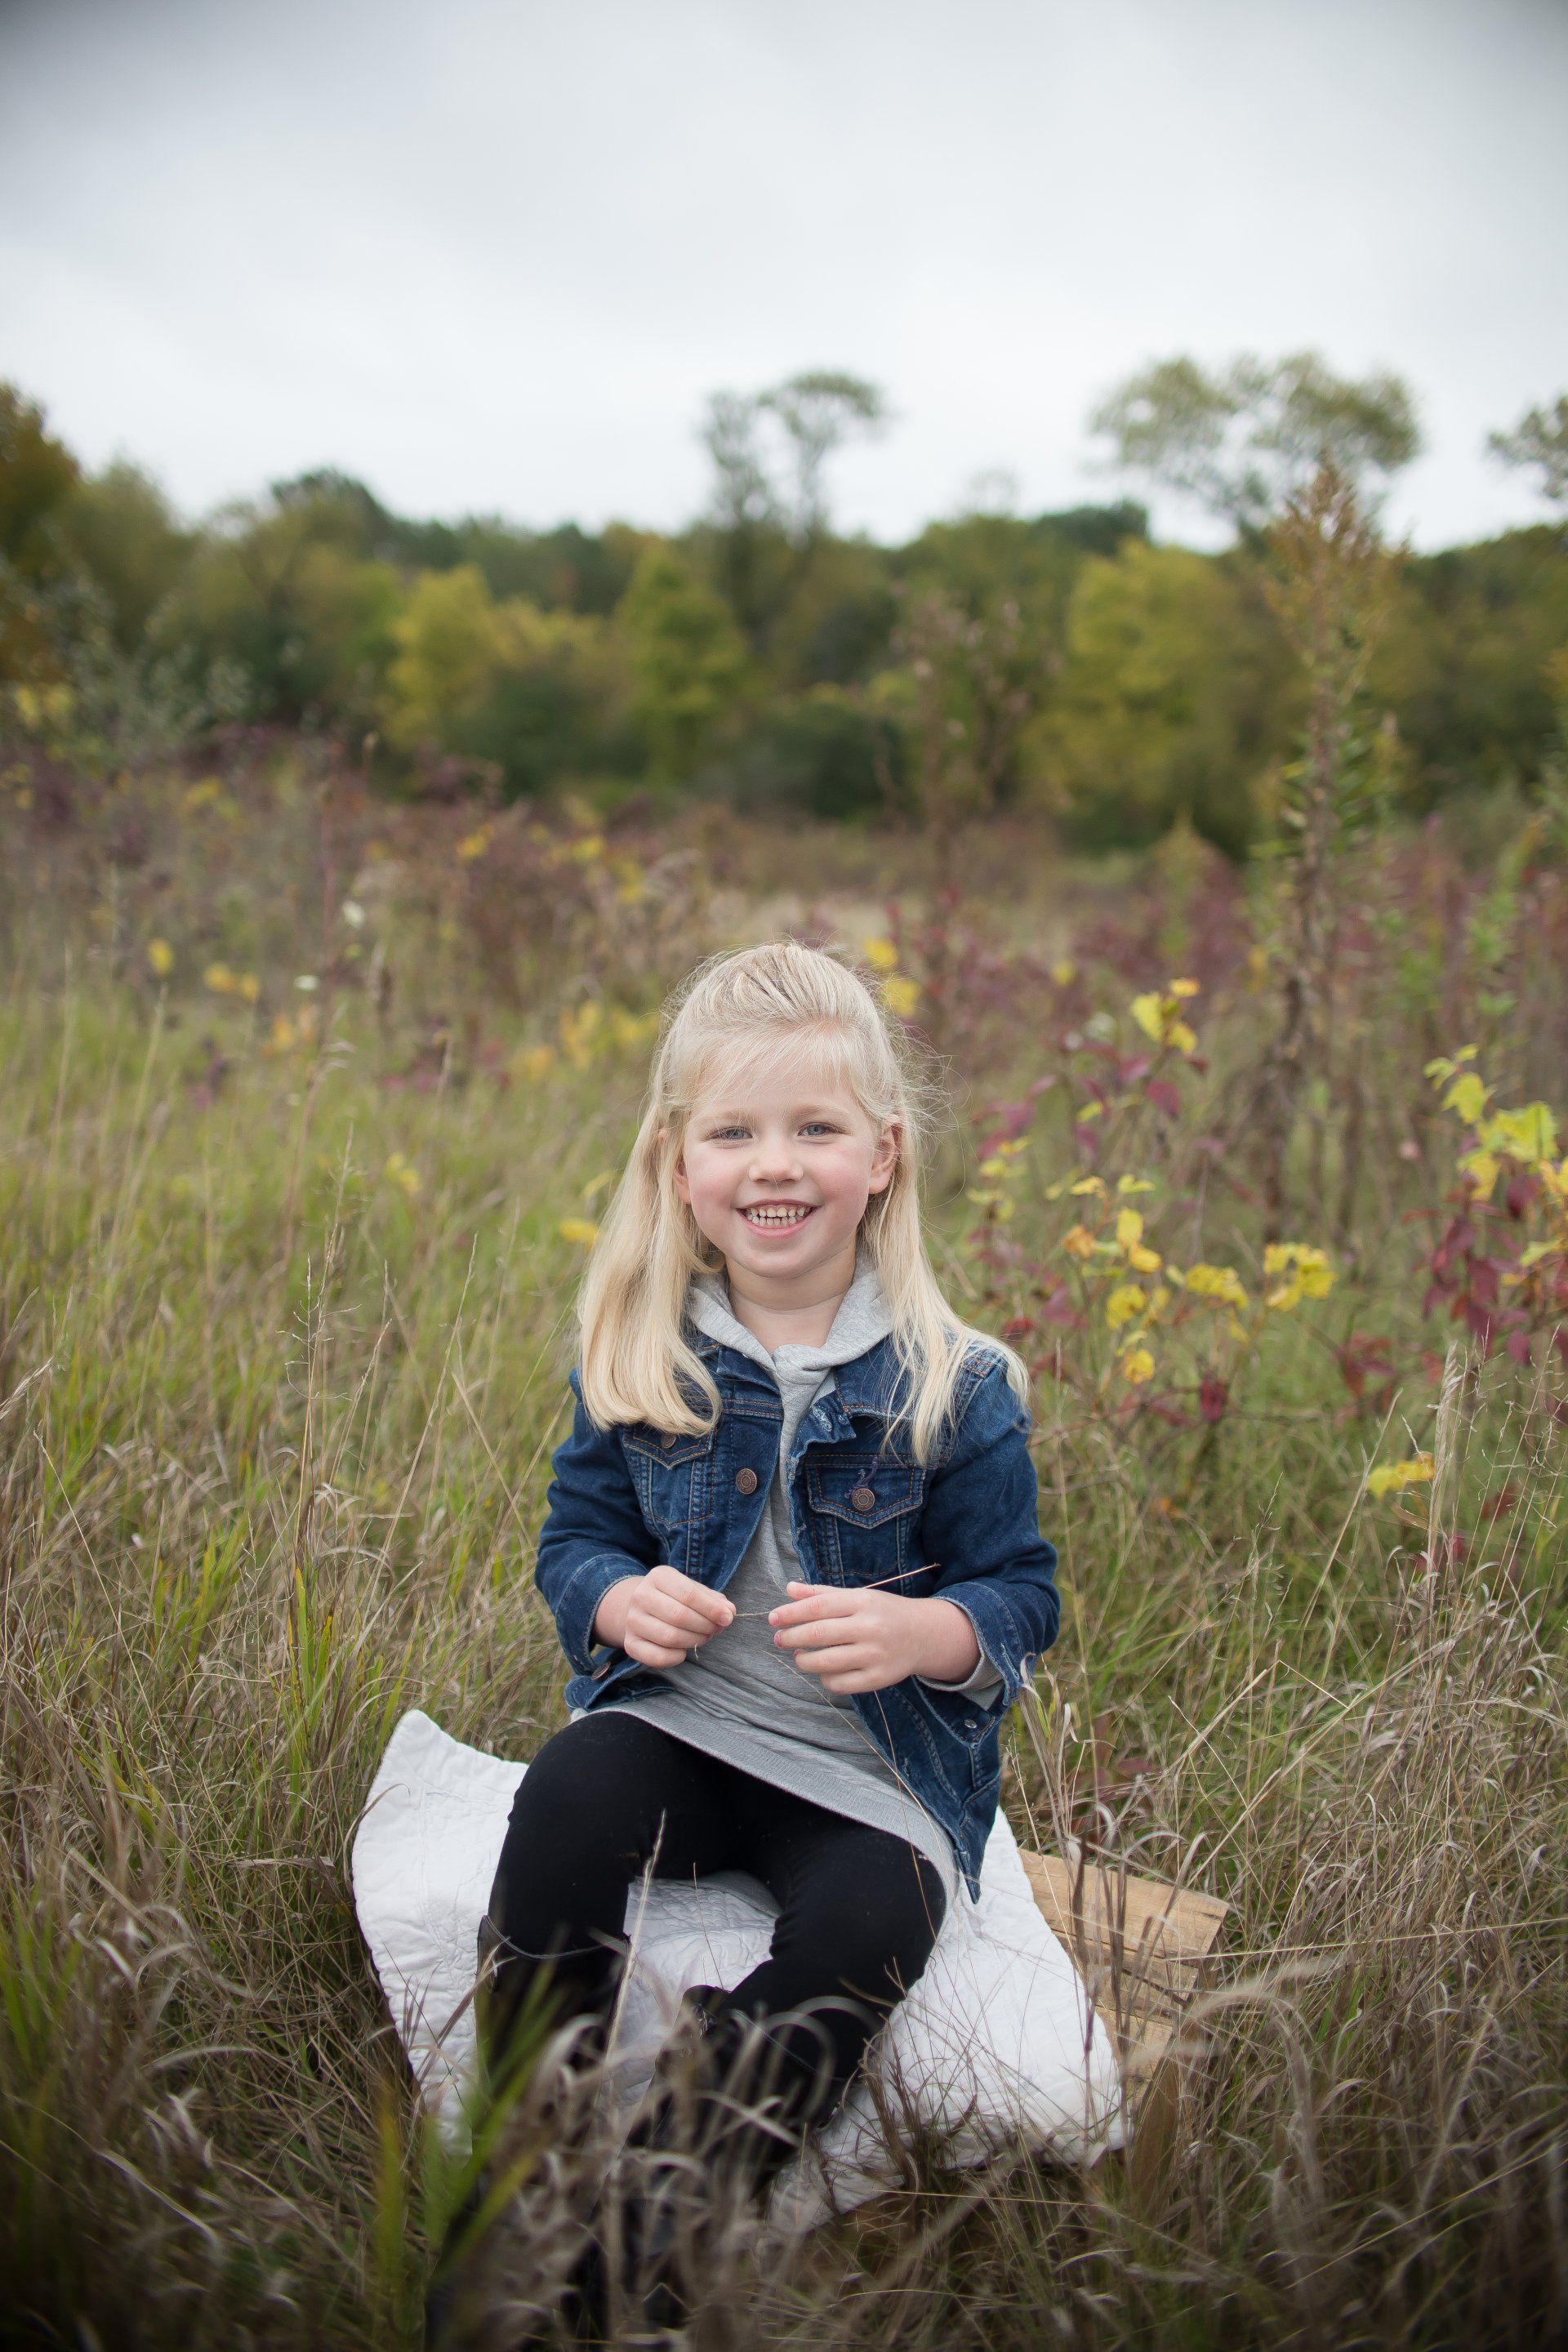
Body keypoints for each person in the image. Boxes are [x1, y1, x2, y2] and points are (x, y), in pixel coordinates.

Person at [453, 939, 1058, 2334]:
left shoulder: (958, 1383)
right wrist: (617, 1600)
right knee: (567, 1793)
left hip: (868, 1772)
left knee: (868, 1930)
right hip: (689, 1726)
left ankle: (650, 2226)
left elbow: (1021, 1596)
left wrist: (926, 1633)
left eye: (815, 1129)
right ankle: (526, 2169)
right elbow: (575, 1542)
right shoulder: (643, 1350)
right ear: (679, 1164)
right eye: (733, 1132)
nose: (773, 1165)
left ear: (884, 1155)